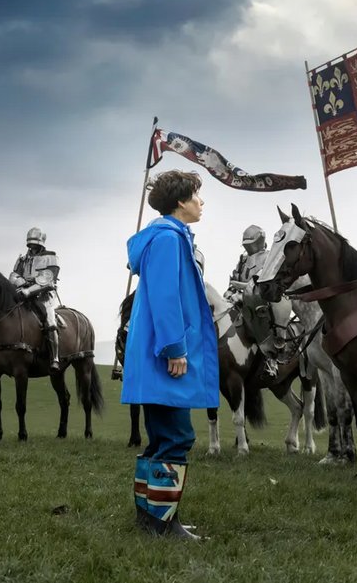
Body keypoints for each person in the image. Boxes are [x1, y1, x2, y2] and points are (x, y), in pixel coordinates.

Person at [122, 169, 219, 540]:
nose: (201, 202)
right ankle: (163, 524)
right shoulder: (167, 240)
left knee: (161, 439)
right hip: (164, 356)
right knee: (177, 438)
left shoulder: (169, 237)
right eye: (197, 195)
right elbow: (166, 298)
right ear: (181, 202)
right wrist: (175, 349)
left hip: (156, 357)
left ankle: (151, 520)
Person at [0, 227, 62, 373]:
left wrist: (29, 289)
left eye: (35, 243)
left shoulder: (51, 257)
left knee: (51, 323)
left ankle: (55, 358)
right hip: (22, 293)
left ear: (40, 243)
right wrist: (21, 284)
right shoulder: (22, 259)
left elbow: (47, 279)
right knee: (2, 315)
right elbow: (13, 276)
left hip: (44, 296)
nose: (32, 246)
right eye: (30, 243)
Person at [223, 224, 267, 303]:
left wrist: (239, 287)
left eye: (250, 244)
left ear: (259, 241)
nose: (248, 248)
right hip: (241, 305)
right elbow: (234, 280)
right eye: (246, 245)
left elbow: (262, 285)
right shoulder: (243, 260)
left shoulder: (269, 257)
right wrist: (229, 293)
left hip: (263, 305)